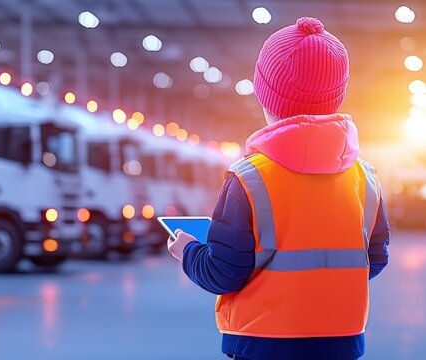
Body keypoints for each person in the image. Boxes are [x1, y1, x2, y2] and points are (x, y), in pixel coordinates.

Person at [167, 17, 390, 360]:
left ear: (264, 93)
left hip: (261, 343)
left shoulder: (248, 178)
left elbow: (223, 273)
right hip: (341, 343)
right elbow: (373, 259)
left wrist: (188, 252)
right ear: (337, 95)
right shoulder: (366, 178)